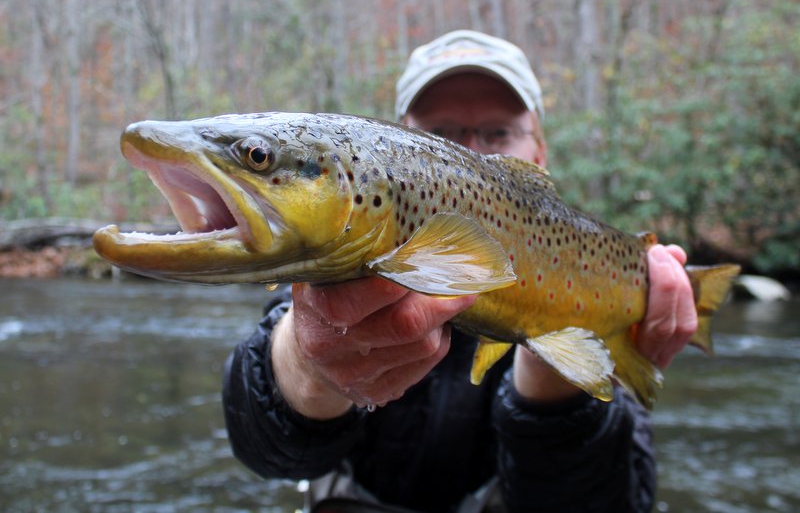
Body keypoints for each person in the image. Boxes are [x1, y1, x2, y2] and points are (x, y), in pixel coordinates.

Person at [223, 30, 697, 512]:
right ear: (393, 142)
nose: (470, 151)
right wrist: (305, 364)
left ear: (539, 153)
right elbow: (265, 450)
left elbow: (615, 502)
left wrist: (554, 394)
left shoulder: (588, 260)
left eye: (498, 133)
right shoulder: (347, 251)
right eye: (441, 133)